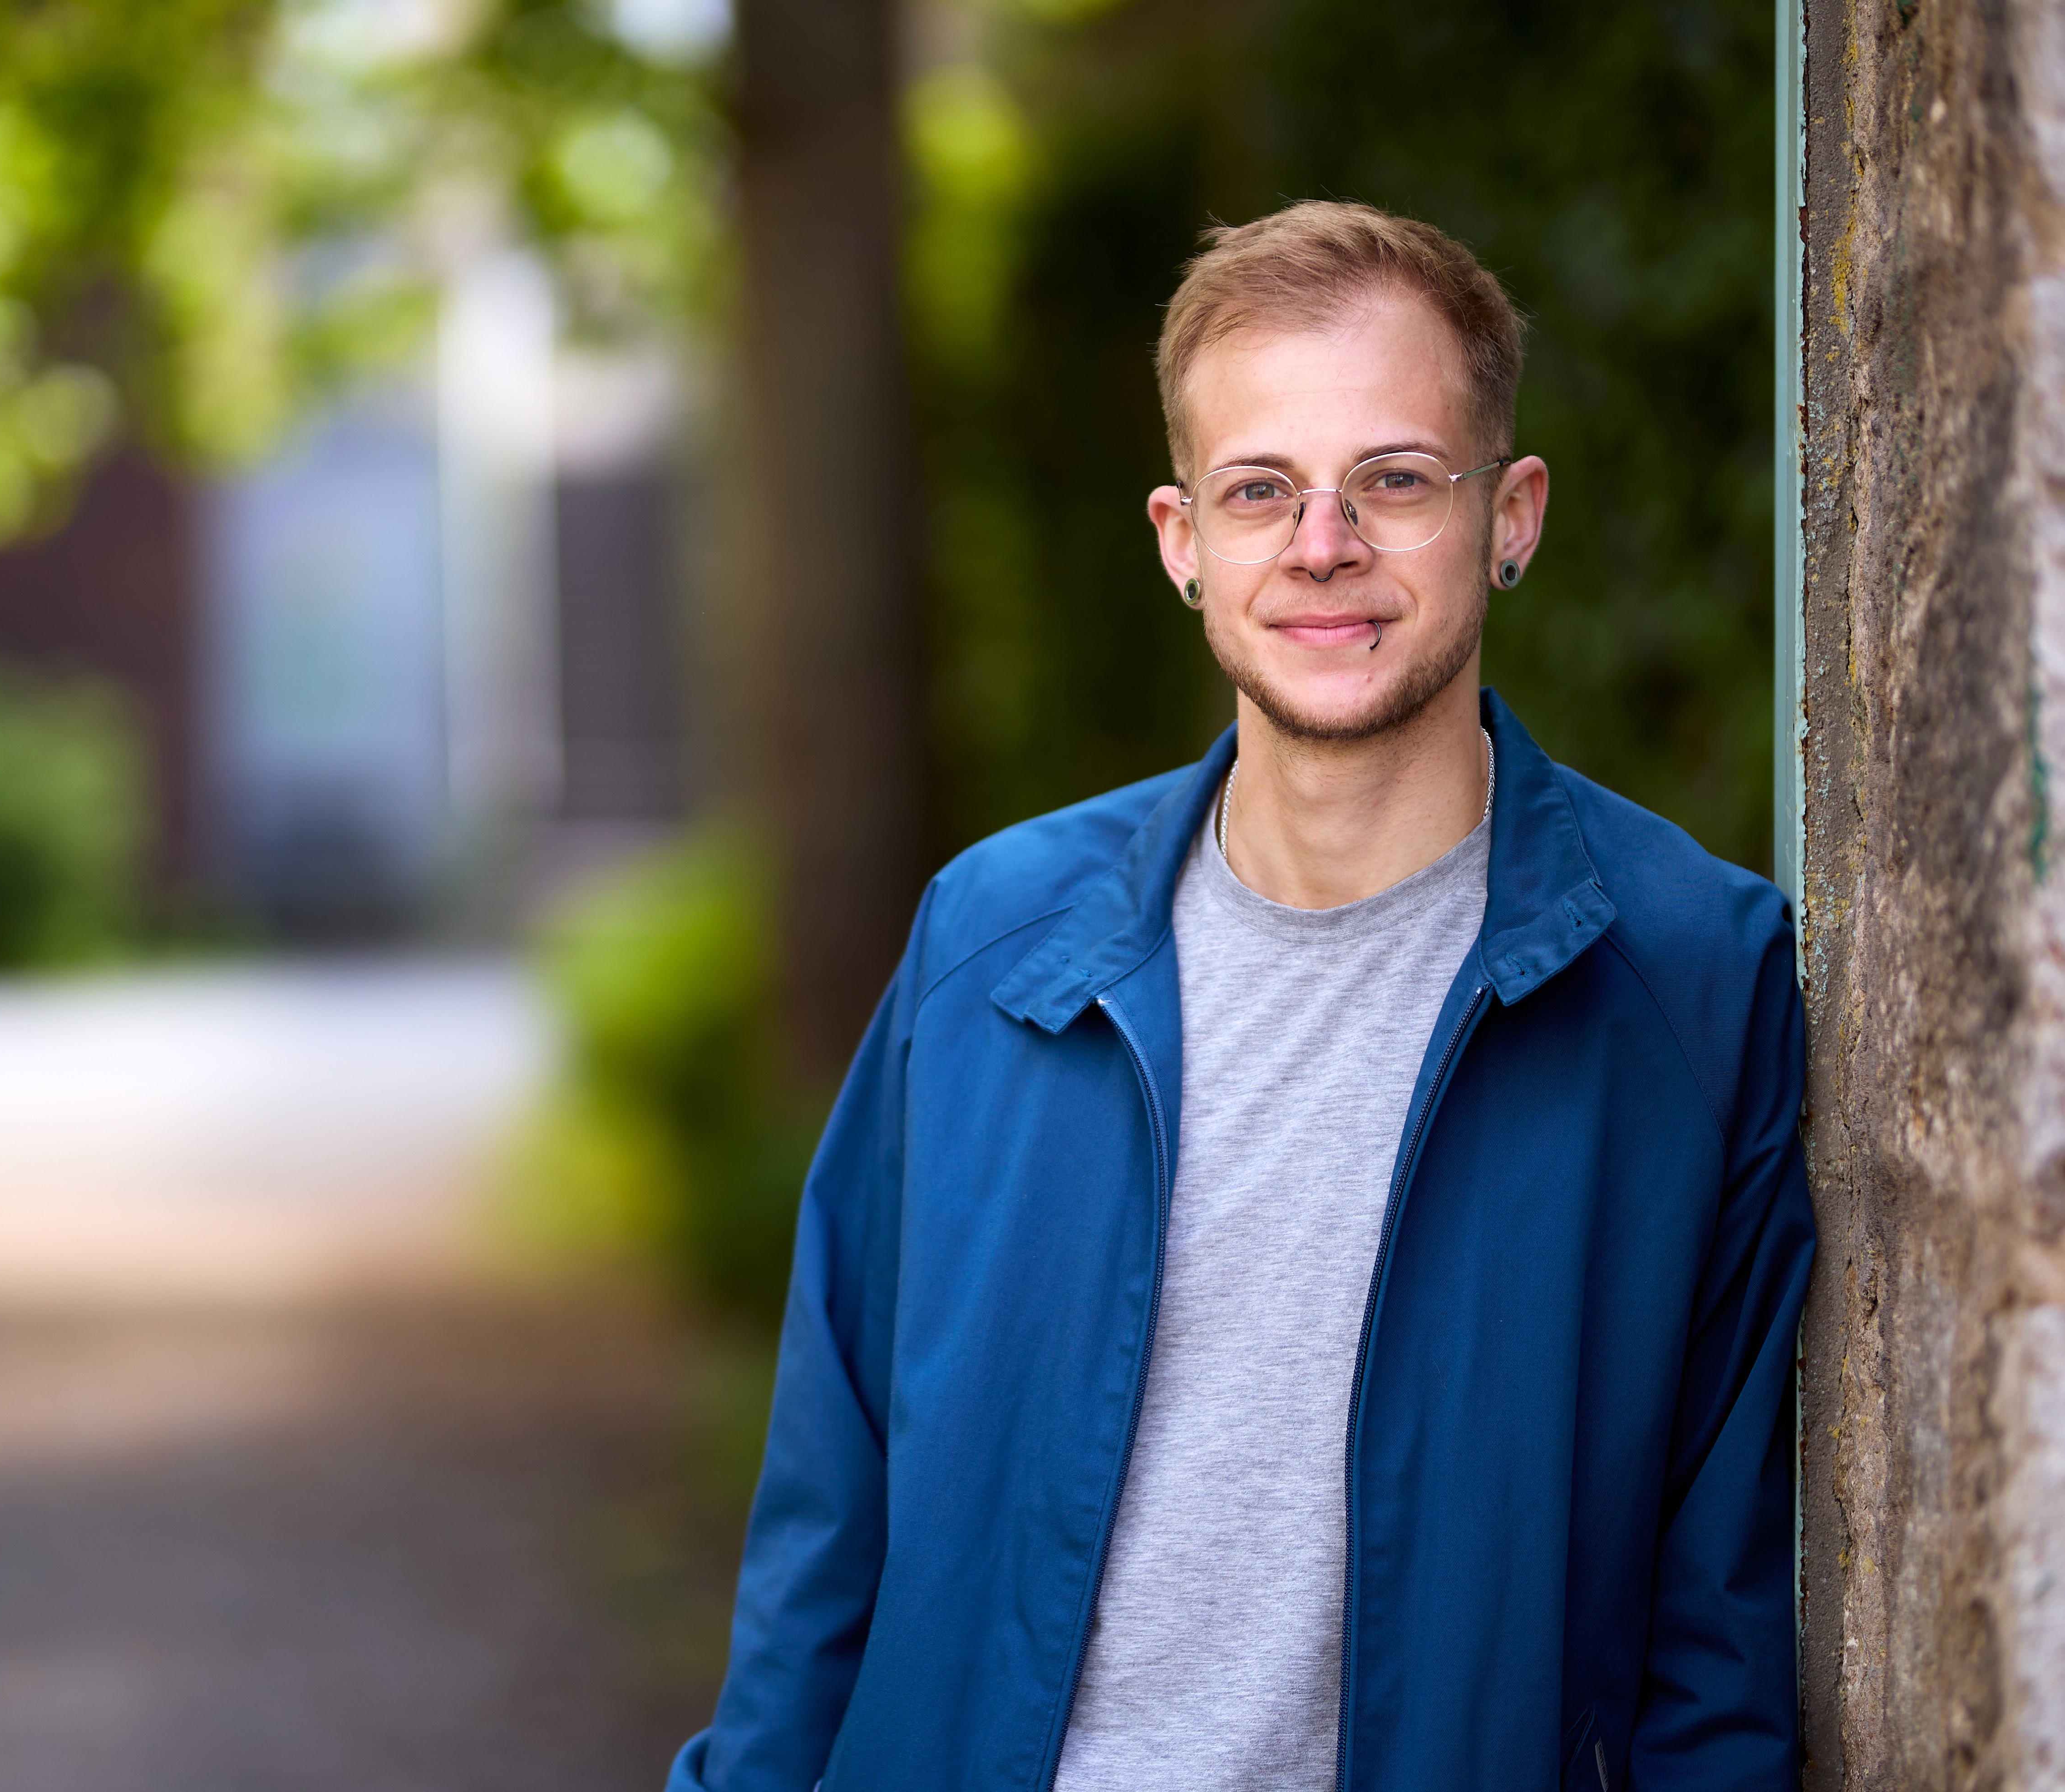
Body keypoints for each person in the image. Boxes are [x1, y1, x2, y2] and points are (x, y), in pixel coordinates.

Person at [666, 200, 1814, 1792]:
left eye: (1395, 480)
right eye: (1259, 488)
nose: (1321, 543)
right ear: (1179, 540)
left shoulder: (1693, 981)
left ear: (1512, 515)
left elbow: (1720, 1631)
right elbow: (825, 1524)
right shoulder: (991, 949)